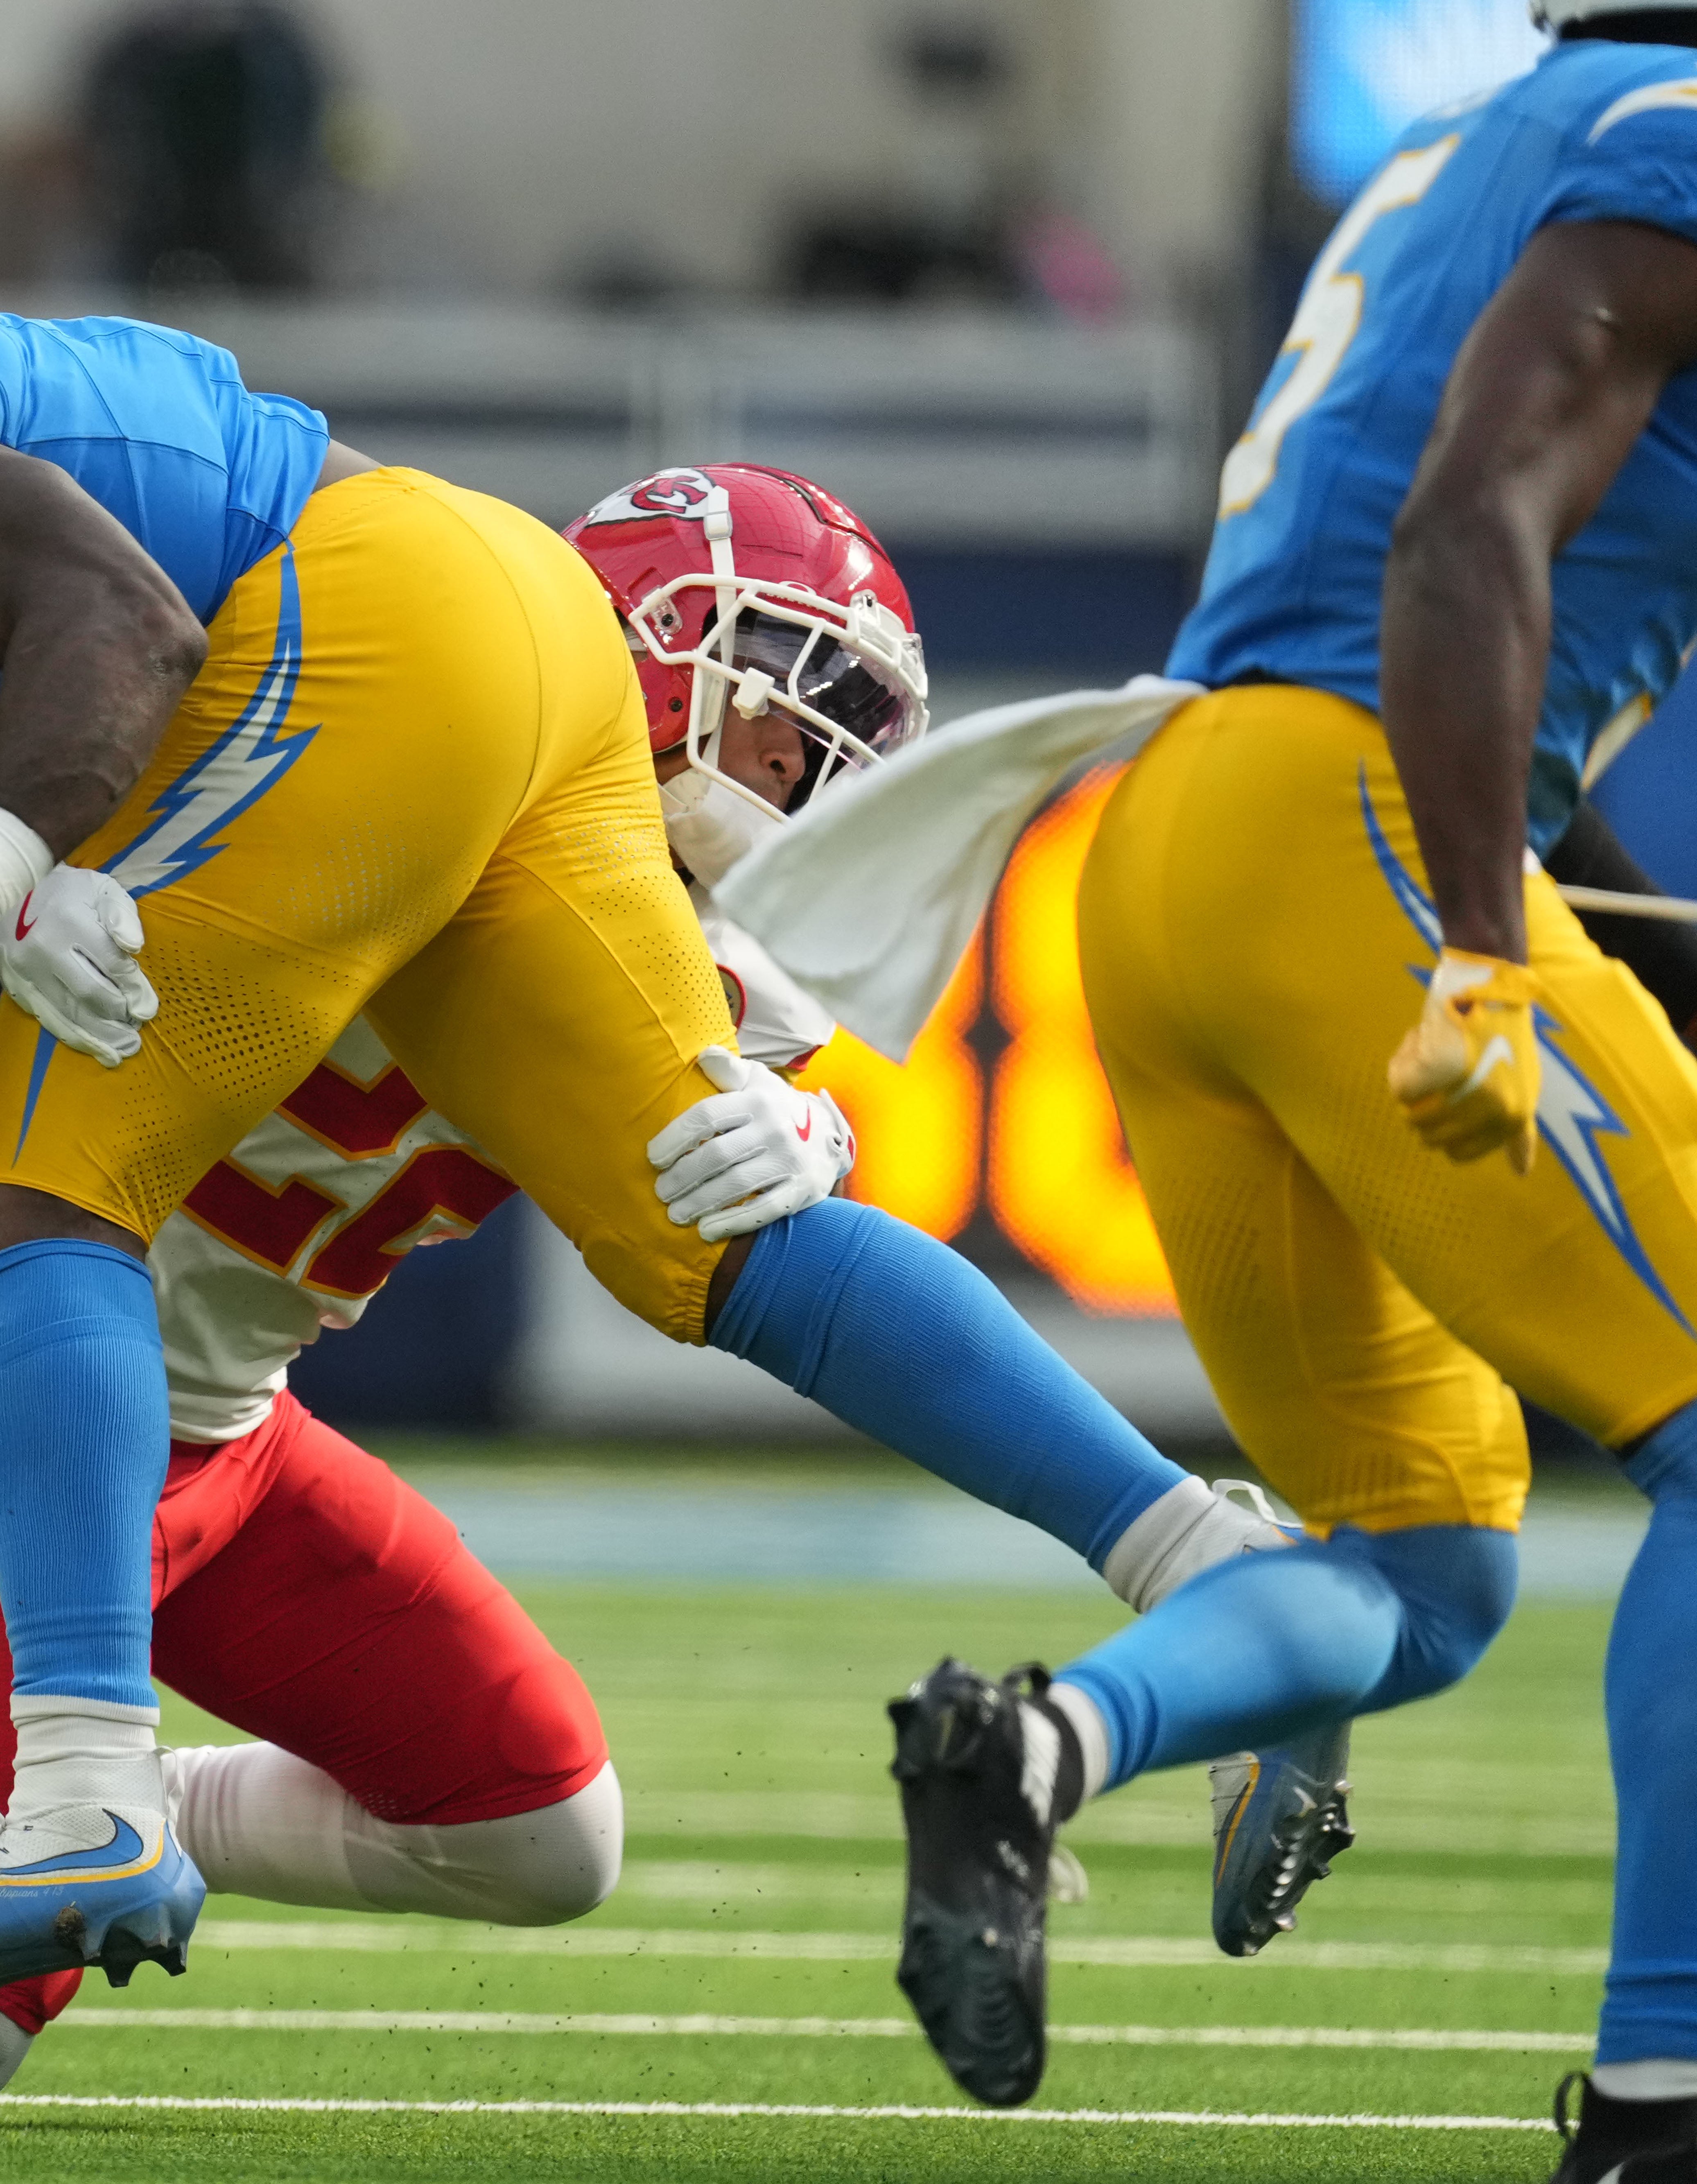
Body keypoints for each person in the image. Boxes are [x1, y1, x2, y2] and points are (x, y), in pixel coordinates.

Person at [0, 61, 1347, 2044]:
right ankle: (1194, 1553)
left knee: (36, 1203)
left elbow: (118, 643)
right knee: (729, 1249)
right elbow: (0, 1001)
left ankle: (82, 1779)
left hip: (350, 622)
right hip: (433, 681)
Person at [722, 7, 1697, 2144]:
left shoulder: (1479, 150)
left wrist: (1590, 926)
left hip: (1179, 842)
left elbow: (1447, 618)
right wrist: (1473, 940)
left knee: (1429, 1574)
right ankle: (1663, 2089)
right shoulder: (1673, 141)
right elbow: (1458, 551)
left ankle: (1044, 1751)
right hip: (1345, 827)